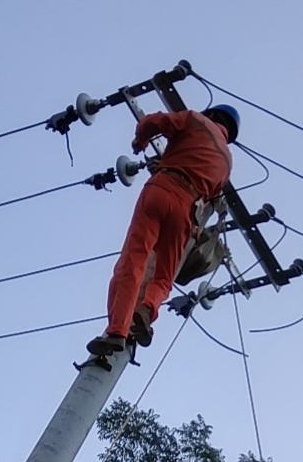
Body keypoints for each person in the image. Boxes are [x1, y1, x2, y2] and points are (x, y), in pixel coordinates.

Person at [86, 103, 240, 360]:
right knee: (164, 276)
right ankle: (147, 310)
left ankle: (117, 330)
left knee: (134, 259)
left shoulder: (195, 120)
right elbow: (212, 196)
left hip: (162, 189)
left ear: (211, 115)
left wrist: (140, 141)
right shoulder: (227, 162)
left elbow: (152, 122)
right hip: (188, 212)